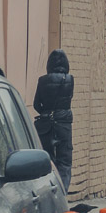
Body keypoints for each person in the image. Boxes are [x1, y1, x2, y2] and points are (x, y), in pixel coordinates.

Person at [33, 49, 74, 191]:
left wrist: (46, 112)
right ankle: (63, 190)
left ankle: (49, 189)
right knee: (65, 160)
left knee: (48, 158)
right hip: (64, 124)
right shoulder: (70, 79)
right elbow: (68, 100)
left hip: (46, 125)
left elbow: (36, 104)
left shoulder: (42, 80)